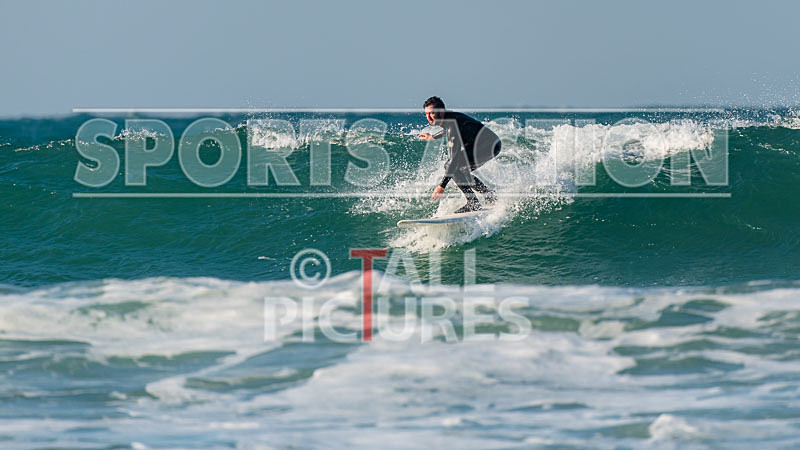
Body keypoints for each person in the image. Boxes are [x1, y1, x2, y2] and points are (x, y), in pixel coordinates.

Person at [418, 96, 501, 213]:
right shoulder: (449, 119)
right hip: (486, 143)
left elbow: (454, 158)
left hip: (489, 145)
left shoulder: (452, 124)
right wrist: (433, 137)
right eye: (426, 114)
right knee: (461, 169)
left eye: (432, 113)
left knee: (452, 166)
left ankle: (473, 203)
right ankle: (488, 195)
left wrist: (441, 186)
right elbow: (448, 130)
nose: (429, 117)